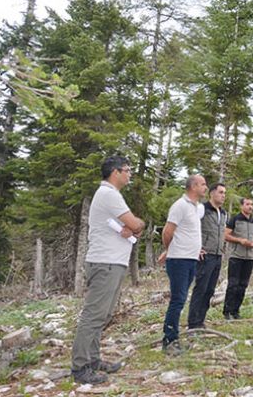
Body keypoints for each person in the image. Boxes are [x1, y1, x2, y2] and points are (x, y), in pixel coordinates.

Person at [71, 156, 145, 384]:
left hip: (111, 262)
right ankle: (81, 367)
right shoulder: (109, 194)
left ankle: (93, 360)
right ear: (115, 172)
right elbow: (137, 224)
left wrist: (132, 228)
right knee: (93, 315)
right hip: (106, 262)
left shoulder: (110, 195)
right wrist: (134, 226)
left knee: (103, 314)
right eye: (127, 170)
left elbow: (133, 228)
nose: (130, 174)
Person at [160, 174, 208, 355]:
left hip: (191, 259)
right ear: (193, 186)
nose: (205, 188)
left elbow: (189, 233)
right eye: (203, 184)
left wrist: (195, 249)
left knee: (181, 298)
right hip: (178, 260)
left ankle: (173, 337)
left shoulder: (198, 208)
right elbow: (167, 232)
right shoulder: (179, 206)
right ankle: (169, 340)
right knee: (178, 299)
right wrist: (170, 250)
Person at [187, 183, 228, 330]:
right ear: (211, 193)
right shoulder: (202, 209)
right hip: (205, 255)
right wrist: (196, 248)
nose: (223, 195)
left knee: (210, 290)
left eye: (225, 193)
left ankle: (201, 321)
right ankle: (193, 323)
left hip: (217, 255)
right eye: (220, 192)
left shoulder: (223, 213)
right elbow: (191, 227)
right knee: (201, 288)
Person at [223, 197, 253, 320]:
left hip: (249, 257)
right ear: (242, 206)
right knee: (233, 284)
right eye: (247, 204)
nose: (250, 206)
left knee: (243, 285)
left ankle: (236, 311)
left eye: (251, 204)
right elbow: (226, 235)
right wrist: (240, 240)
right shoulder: (235, 219)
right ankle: (227, 311)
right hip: (236, 256)